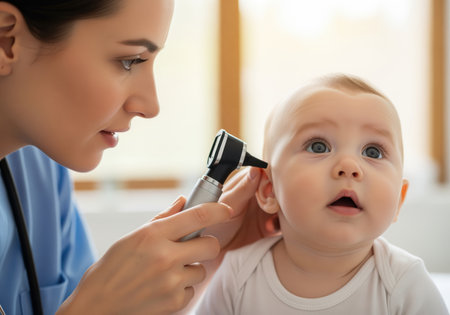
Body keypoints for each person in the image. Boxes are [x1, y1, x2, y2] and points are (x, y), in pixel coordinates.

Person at [0, 1, 275, 314]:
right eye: (130, 61)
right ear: (6, 39)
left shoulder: (40, 172)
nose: (151, 106)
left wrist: (206, 269)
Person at [196, 74, 449, 314]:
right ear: (269, 190)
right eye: (318, 146)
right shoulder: (238, 275)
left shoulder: (406, 285)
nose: (349, 167)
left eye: (373, 152)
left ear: (399, 200)